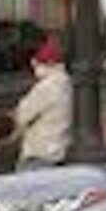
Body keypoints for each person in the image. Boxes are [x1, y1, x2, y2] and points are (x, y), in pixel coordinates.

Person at [15, 35, 72, 170]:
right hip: (58, 149)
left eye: (39, 64)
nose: (36, 68)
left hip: (40, 153)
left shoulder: (45, 87)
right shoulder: (66, 82)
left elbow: (22, 115)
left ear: (49, 64)